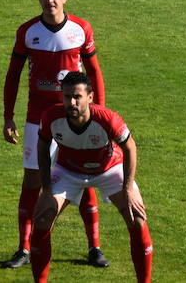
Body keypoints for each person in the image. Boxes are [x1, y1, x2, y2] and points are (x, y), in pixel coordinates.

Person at [1, 0, 108, 269]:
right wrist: (8, 116)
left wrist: (99, 113)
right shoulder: (27, 32)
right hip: (38, 120)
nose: (49, 0)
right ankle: (24, 248)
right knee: (32, 182)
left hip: (76, 120)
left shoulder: (81, 29)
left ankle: (94, 247)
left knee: (86, 179)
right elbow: (13, 76)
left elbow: (95, 72)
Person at [30, 73, 152, 283]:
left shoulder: (107, 119)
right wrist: (47, 191)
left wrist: (129, 187)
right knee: (42, 217)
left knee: (137, 218)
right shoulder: (51, 116)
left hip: (109, 168)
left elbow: (130, 147)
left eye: (77, 96)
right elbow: (42, 148)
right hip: (68, 170)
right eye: (67, 97)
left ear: (90, 97)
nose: (72, 102)